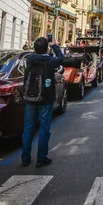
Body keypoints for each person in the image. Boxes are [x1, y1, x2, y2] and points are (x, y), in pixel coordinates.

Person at [21, 37, 65, 168]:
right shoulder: (49, 61)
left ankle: (25, 158)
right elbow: (62, 58)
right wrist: (55, 46)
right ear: (47, 48)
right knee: (44, 128)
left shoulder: (30, 59)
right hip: (46, 99)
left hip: (30, 98)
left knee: (28, 128)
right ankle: (41, 158)